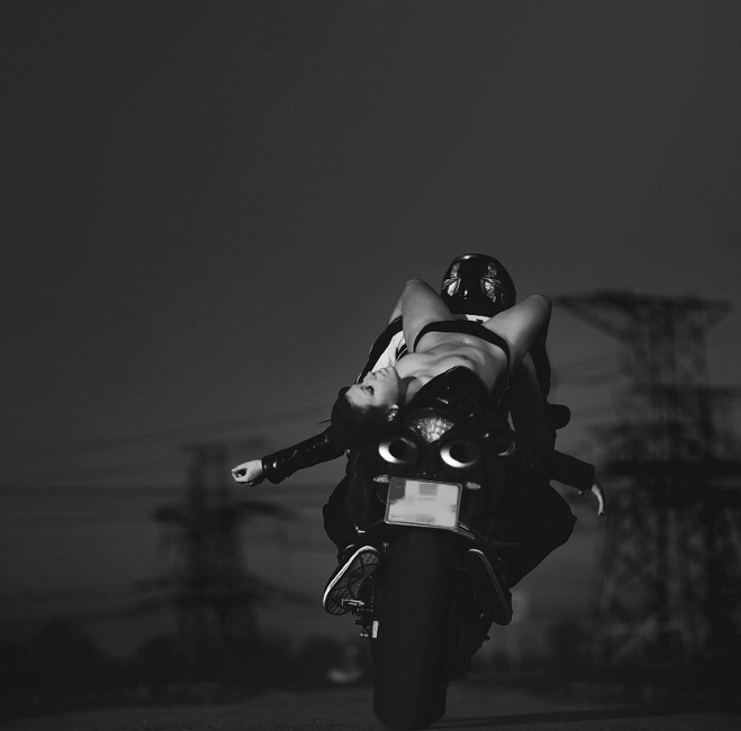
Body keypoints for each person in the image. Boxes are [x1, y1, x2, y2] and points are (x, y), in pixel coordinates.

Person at [232, 255, 603, 618]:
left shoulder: (394, 396)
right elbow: (507, 444)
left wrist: (268, 465)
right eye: (368, 387)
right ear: (390, 412)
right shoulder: (452, 392)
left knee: (414, 284)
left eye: (361, 383)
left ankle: (357, 549)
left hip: (433, 332)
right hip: (497, 340)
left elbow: (336, 439)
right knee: (540, 304)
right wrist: (579, 474)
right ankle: (498, 568)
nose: (371, 378)